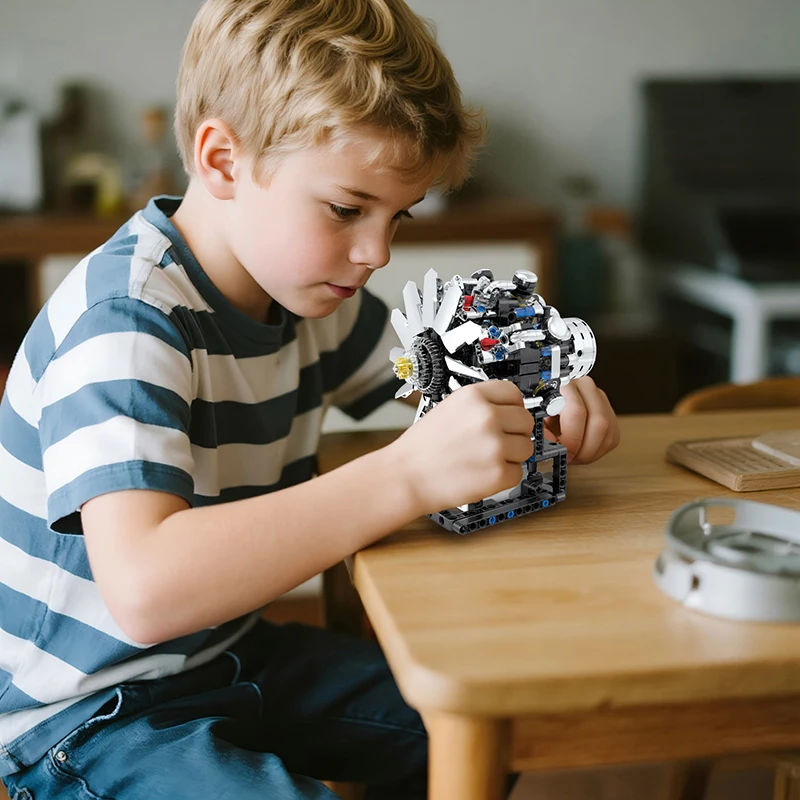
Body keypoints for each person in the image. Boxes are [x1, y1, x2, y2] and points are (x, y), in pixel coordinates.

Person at [0, 1, 620, 798]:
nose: (377, 252)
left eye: (397, 215)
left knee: (474, 723)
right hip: (81, 715)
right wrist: (407, 477)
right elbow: (148, 590)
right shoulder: (123, 323)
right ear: (222, 161)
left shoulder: (305, 296)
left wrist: (536, 404)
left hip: (224, 657)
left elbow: (438, 395)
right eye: (345, 209)